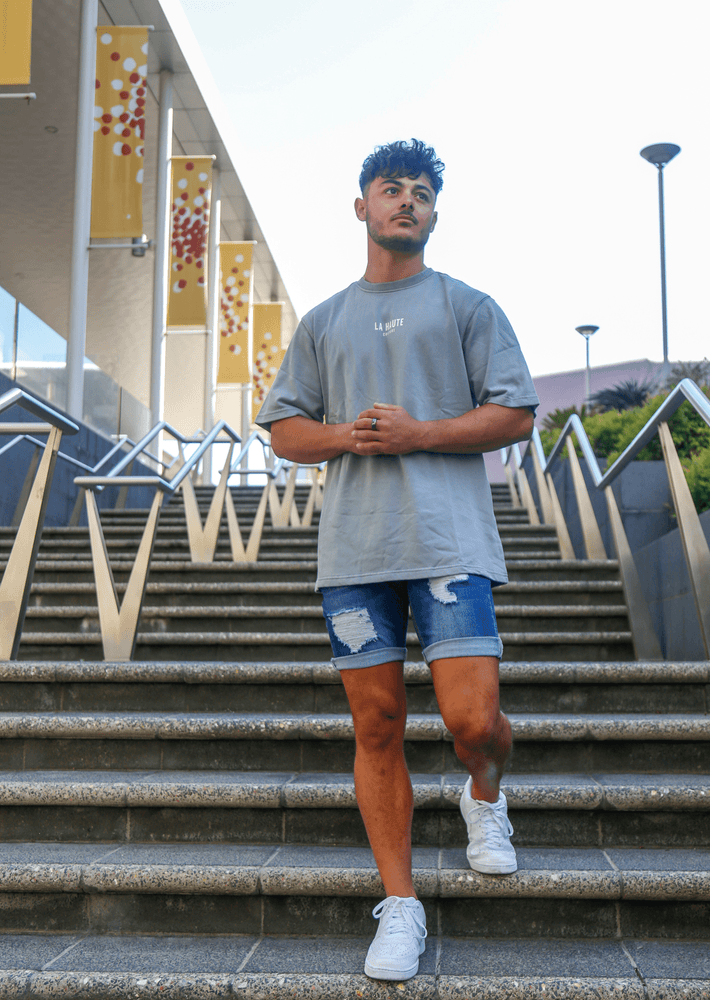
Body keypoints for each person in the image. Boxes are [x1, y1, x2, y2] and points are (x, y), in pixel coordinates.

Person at [257, 138, 538, 981]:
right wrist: (348, 435)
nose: (405, 200)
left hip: (450, 544)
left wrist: (420, 433)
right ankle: (402, 904)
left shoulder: (468, 305)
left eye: (420, 191)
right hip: (354, 553)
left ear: (434, 213)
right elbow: (283, 430)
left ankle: (484, 796)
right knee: (376, 724)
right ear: (362, 207)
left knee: (471, 720)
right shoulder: (324, 321)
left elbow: (515, 414)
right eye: (391, 189)